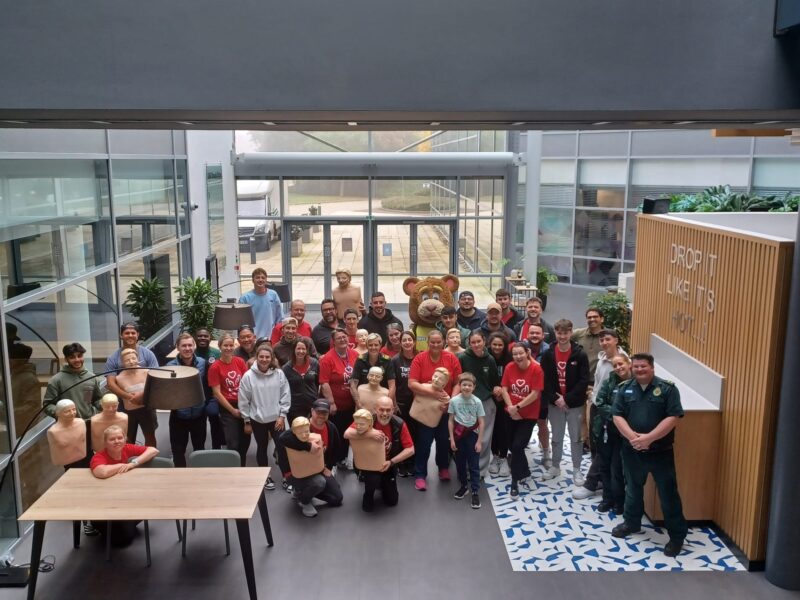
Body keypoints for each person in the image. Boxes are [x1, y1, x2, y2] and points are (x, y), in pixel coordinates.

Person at [611, 353, 688, 558]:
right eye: (636, 367)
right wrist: (633, 439)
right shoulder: (624, 388)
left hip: (660, 451)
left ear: (652, 368)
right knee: (633, 488)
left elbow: (673, 417)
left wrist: (649, 439)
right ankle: (632, 523)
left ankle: (677, 536)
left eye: (643, 366)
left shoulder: (667, 389)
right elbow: (617, 415)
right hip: (632, 450)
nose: (639, 370)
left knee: (668, 494)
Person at [574, 328, 629, 500]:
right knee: (595, 445)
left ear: (616, 340)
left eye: (607, 339)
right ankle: (599, 480)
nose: (604, 343)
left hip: (613, 412)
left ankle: (591, 483)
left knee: (605, 449)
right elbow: (598, 383)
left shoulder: (623, 361)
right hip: (597, 406)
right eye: (602, 340)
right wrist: (592, 397)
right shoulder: (601, 359)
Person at [409, 330, 462, 490]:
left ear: (444, 342)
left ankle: (443, 468)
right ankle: (420, 474)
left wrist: (451, 401)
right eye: (433, 342)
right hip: (426, 408)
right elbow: (412, 383)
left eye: (439, 342)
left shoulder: (451, 358)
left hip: (445, 408)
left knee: (443, 440)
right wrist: (434, 393)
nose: (436, 345)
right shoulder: (420, 358)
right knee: (424, 443)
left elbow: (458, 382)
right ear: (428, 343)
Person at [540, 319, 590, 483]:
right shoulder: (548, 353)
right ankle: (555, 466)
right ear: (555, 332)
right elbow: (544, 379)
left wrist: (567, 398)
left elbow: (584, 380)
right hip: (555, 404)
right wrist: (555, 398)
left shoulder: (580, 354)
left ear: (571, 332)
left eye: (565, 333)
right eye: (559, 333)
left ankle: (577, 469)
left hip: (574, 404)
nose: (562, 336)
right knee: (557, 436)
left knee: (576, 437)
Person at [344, 397, 415, 512]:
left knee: (392, 501)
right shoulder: (366, 419)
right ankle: (368, 492)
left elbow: (410, 449)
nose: (385, 413)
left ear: (393, 410)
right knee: (372, 481)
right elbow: (346, 434)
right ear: (375, 409)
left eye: (388, 410)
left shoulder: (399, 424)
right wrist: (369, 434)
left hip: (388, 463)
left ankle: (382, 483)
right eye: (381, 410)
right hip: (368, 463)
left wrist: (392, 462)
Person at [238, 344, 289, 489]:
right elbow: (243, 399)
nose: (264, 359)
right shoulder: (248, 376)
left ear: (271, 358)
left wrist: (282, 415)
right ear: (256, 357)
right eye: (261, 357)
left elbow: (285, 394)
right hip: (257, 419)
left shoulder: (279, 374)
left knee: (281, 447)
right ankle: (266, 477)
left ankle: (287, 476)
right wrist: (247, 420)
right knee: (262, 446)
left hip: (276, 419)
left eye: (267, 357)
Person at [587, 354, 632, 513]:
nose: (618, 368)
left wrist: (621, 418)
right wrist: (617, 416)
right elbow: (600, 402)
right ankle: (607, 499)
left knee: (617, 468)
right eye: (615, 365)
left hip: (624, 434)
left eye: (621, 364)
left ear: (628, 363)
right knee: (605, 466)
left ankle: (619, 502)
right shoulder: (609, 381)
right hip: (606, 429)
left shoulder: (635, 383)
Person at [501, 343, 544, 498]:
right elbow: (505, 388)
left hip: (528, 414)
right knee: (513, 447)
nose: (518, 357)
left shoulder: (536, 369)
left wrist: (517, 407)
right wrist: (511, 408)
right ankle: (524, 473)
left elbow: (535, 393)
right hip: (511, 412)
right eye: (515, 354)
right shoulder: (509, 367)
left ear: (527, 353)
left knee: (519, 445)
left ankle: (514, 481)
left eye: (520, 353)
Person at [278, 416, 343, 517]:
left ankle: (303, 492)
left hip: (316, 470)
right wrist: (308, 447)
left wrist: (326, 467)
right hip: (295, 474)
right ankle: (303, 500)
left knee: (336, 498)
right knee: (319, 482)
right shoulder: (288, 440)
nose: (304, 435)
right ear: (294, 431)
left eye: (306, 431)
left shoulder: (320, 433)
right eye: (300, 432)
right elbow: (282, 437)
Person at [458, 330, 501, 477]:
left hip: (486, 403)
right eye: (473, 342)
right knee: (466, 439)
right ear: (469, 343)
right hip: (466, 403)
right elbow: (458, 382)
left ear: (484, 342)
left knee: (484, 438)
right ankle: (465, 468)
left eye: (479, 342)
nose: (476, 345)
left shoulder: (490, 359)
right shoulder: (462, 358)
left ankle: (480, 471)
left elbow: (495, 382)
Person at [208, 333, 251, 466]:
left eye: (231, 345)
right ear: (220, 347)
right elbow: (217, 393)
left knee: (245, 440)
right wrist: (232, 411)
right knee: (232, 442)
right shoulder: (215, 367)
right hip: (227, 406)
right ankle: (232, 469)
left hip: (243, 403)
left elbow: (247, 385)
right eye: (225, 345)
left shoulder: (240, 362)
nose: (228, 348)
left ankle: (241, 467)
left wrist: (246, 409)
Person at [319, 328, 359, 467]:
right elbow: (324, 383)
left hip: (351, 404)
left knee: (348, 433)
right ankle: (332, 462)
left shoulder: (355, 354)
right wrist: (331, 403)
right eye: (338, 338)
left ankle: (343, 458)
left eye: (344, 337)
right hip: (336, 405)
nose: (342, 339)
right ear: (333, 341)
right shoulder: (327, 359)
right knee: (335, 434)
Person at [166, 333, 207, 467]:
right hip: (178, 415)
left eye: (190, 345)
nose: (187, 348)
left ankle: (200, 478)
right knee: (178, 450)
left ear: (194, 346)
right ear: (177, 347)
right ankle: (180, 479)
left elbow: (207, 386)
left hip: (199, 414)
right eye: (184, 345)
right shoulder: (169, 366)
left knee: (199, 449)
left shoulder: (202, 363)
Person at [448, 372, 485, 509]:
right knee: (460, 464)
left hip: (472, 436)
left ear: (474, 387)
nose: (467, 387)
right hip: (458, 436)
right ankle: (464, 486)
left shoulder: (477, 402)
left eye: (470, 385)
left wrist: (479, 441)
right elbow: (451, 420)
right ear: (460, 385)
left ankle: (475, 491)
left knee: (474, 465)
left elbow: (481, 422)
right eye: (464, 385)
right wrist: (452, 439)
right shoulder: (454, 401)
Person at [43, 342, 105, 420]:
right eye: (72, 357)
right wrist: (60, 413)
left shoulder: (91, 377)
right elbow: (47, 405)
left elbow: (96, 399)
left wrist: (103, 404)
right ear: (66, 359)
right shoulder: (56, 380)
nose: (77, 360)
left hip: (90, 422)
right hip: (67, 425)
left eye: (80, 356)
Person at [104, 322, 159, 407]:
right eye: (127, 333)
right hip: (123, 402)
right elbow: (111, 384)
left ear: (138, 335)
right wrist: (129, 397)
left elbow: (156, 378)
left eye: (133, 333)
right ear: (121, 335)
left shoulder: (148, 354)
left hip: (147, 401)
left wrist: (142, 395)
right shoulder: (113, 358)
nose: (130, 335)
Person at [522, 323, 552, 469]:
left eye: (537, 333)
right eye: (532, 333)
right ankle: (518, 451)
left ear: (543, 335)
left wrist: (528, 358)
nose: (534, 336)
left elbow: (543, 372)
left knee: (542, 423)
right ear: (527, 334)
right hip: (523, 392)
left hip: (541, 394)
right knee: (521, 423)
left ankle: (546, 454)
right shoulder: (522, 347)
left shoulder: (548, 350)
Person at [388, 330, 418, 477]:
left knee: (415, 433)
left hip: (418, 403)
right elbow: (392, 384)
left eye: (409, 340)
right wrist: (393, 404)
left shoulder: (420, 357)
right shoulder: (394, 360)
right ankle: (401, 464)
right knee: (401, 434)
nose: (407, 342)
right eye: (404, 340)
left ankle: (413, 462)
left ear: (414, 342)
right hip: (401, 403)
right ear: (400, 343)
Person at [115, 348, 157, 447]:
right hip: (129, 412)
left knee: (150, 436)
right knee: (128, 438)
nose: (131, 362)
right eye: (127, 360)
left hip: (147, 409)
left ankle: (150, 458)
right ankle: (130, 460)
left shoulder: (147, 372)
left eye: (133, 358)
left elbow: (153, 390)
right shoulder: (119, 378)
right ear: (122, 362)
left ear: (138, 358)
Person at [194, 328, 224, 449]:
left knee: (215, 422)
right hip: (197, 395)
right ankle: (199, 451)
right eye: (200, 336)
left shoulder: (217, 353)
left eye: (205, 336)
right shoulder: (191, 352)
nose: (202, 338)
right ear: (195, 338)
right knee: (199, 425)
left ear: (210, 338)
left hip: (213, 394)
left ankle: (216, 449)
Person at [90, 424, 159, 478]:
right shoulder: (99, 456)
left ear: (125, 440)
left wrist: (133, 463)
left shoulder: (128, 448)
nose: (117, 441)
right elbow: (102, 472)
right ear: (105, 443)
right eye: (112, 439)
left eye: (120, 438)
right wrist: (123, 466)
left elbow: (153, 450)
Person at [282, 337, 320, 424]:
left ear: (307, 350)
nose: (301, 351)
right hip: (294, 408)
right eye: (298, 348)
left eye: (303, 349)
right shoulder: (286, 368)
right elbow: (284, 390)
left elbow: (317, 383)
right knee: (297, 433)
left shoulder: (314, 363)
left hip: (312, 406)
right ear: (294, 350)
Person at [238, 268, 283, 340]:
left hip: (271, 337)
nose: (260, 280)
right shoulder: (245, 298)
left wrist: (277, 334)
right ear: (253, 280)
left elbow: (280, 317)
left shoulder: (273, 295)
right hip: (252, 338)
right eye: (257, 277)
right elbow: (241, 321)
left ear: (266, 280)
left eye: (263, 278)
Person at [352, 333, 395, 401]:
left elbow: (392, 385)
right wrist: (359, 404)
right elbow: (353, 385)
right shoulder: (360, 360)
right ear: (366, 346)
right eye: (370, 345)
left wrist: (387, 402)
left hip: (382, 398)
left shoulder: (387, 360)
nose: (373, 347)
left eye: (376, 345)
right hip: (364, 398)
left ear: (380, 345)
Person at [572, 308, 605, 378]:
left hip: (599, 379)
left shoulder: (607, 336)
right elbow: (563, 337)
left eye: (595, 317)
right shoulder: (579, 333)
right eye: (589, 317)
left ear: (602, 319)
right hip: (580, 378)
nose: (592, 319)